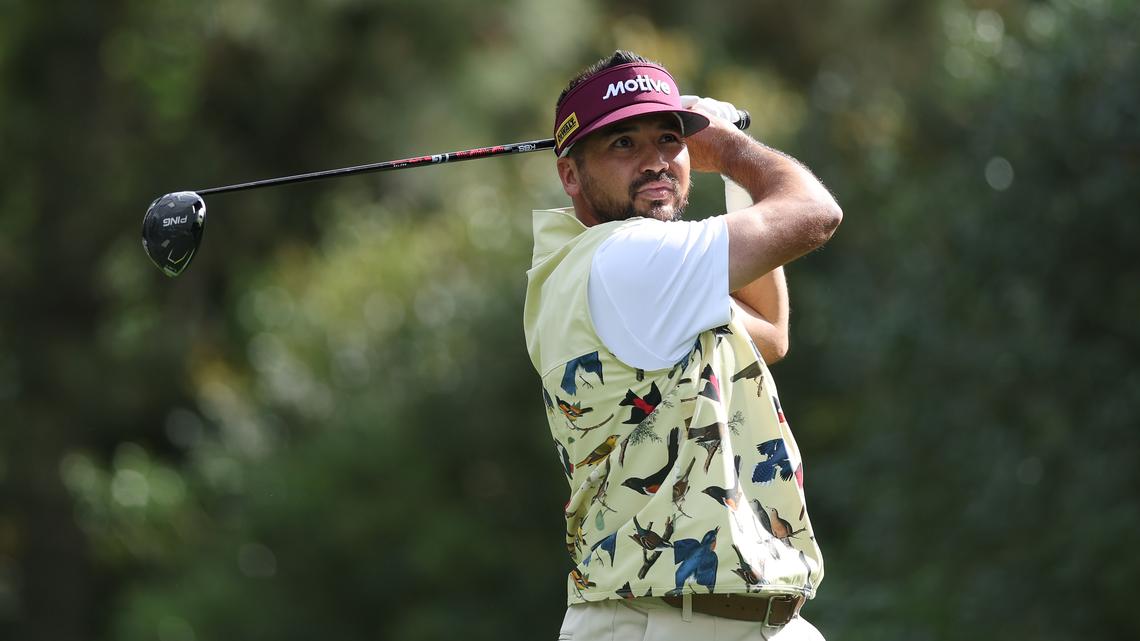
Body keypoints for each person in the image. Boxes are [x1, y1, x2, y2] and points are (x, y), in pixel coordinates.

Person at [523, 50, 842, 640]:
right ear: (571, 175)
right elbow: (815, 213)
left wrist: (726, 173)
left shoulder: (619, 271)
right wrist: (729, 149)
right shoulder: (626, 259)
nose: (657, 162)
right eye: (624, 144)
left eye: (671, 139)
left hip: (736, 616)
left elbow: (768, 334)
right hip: (665, 622)